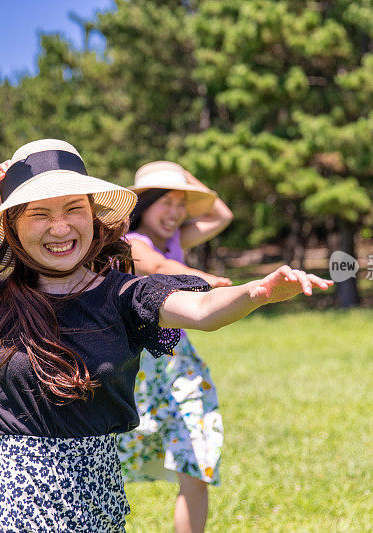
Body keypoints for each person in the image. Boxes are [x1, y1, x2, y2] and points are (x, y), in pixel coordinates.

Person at [0, 139, 333, 532]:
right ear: (12, 228)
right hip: (20, 494)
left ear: (93, 216)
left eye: (73, 209)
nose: (60, 227)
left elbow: (203, 309)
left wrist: (256, 292)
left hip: (101, 490)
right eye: (38, 213)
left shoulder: (124, 293)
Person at [115, 161, 232, 533]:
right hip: (137, 367)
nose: (176, 212)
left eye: (181, 203)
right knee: (106, 462)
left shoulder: (178, 237)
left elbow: (221, 213)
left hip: (180, 362)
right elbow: (157, 266)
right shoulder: (133, 243)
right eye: (165, 201)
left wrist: (179, 173)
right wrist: (205, 281)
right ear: (142, 205)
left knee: (197, 455)